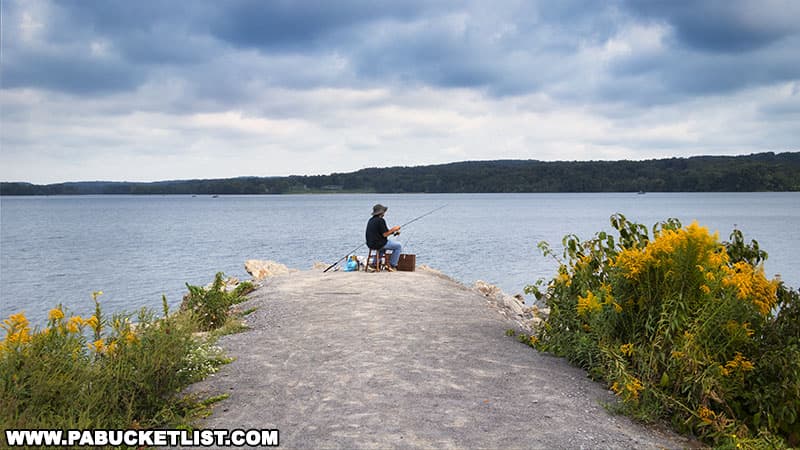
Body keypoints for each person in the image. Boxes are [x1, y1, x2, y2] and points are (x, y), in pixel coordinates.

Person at [365, 204, 402, 271]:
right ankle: (392, 265)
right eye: (384, 211)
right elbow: (385, 235)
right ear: (381, 212)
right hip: (379, 243)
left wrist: (394, 232)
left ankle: (374, 264)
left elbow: (383, 232)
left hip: (370, 243)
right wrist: (394, 229)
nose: (384, 213)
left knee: (382, 247)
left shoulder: (371, 220)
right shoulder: (381, 220)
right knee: (398, 246)